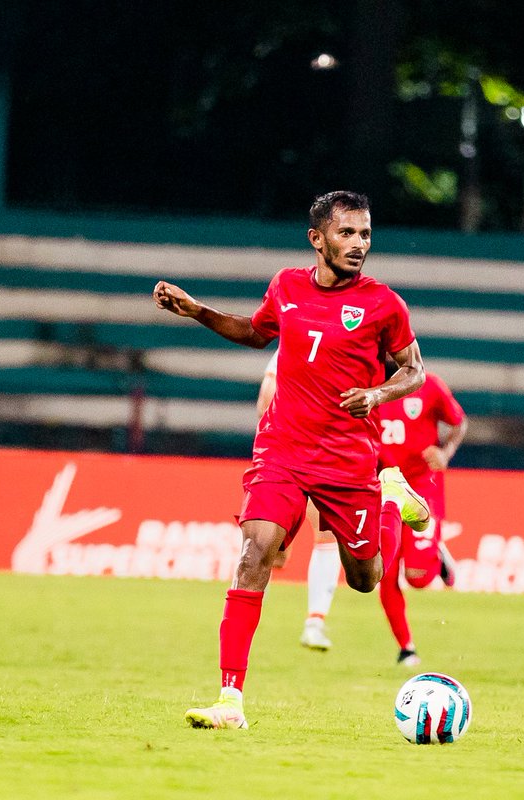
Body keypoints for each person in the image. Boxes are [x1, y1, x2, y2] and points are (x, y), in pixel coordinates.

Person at [153, 190, 431, 730]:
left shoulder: (384, 304)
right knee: (255, 552)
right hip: (282, 447)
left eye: (366, 234)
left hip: (347, 457)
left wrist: (377, 396)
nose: (358, 244)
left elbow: (413, 371)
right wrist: (197, 311)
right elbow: (256, 333)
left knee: (365, 578)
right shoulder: (285, 286)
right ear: (317, 238)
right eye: (347, 233)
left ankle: (392, 504)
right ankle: (230, 700)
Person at [377, 365, 468, 667]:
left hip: (421, 484)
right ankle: (406, 648)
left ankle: (436, 553)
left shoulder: (429, 385)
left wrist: (445, 453)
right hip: (383, 484)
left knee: (417, 578)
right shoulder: (365, 386)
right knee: (384, 570)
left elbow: (459, 423)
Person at [257, 349, 341, 651]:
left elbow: (265, 402)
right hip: (303, 455)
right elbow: (266, 400)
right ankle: (314, 623)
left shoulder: (291, 347)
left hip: (290, 456)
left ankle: (311, 622)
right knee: (278, 549)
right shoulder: (329, 349)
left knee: (317, 535)